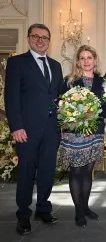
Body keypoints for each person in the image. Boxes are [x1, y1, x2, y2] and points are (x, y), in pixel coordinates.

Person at [4, 23, 63, 235]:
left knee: (48, 172)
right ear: (29, 38)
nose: (40, 40)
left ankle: (43, 208)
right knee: (27, 172)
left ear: (49, 41)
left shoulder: (56, 66)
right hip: (26, 130)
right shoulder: (17, 62)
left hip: (51, 130)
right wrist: (16, 126)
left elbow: (60, 96)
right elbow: (10, 97)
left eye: (45, 37)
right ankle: (23, 215)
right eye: (36, 36)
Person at [59, 45, 106, 227]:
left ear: (95, 60)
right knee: (76, 172)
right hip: (74, 134)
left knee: (88, 171)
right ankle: (78, 211)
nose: (86, 61)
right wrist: (74, 117)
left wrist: (93, 115)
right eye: (83, 58)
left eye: (89, 58)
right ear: (78, 61)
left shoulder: (102, 82)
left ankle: (85, 207)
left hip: (94, 133)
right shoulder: (69, 81)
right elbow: (61, 105)